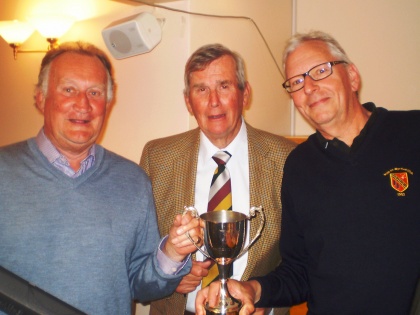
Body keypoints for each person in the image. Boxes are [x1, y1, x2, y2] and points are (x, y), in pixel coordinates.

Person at [196, 31, 420, 315]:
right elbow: (299, 270)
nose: (309, 87)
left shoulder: (412, 134)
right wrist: (252, 289)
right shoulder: (299, 165)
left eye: (320, 71)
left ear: (352, 76)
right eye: (297, 82)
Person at [0, 41, 201, 315]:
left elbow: (142, 286)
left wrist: (172, 252)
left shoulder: (133, 181)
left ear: (108, 102)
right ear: (40, 97)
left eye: (94, 92)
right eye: (69, 89)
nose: (83, 105)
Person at [140, 43, 296, 315]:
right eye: (201, 89)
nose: (213, 101)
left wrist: (266, 300)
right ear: (188, 101)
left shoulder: (286, 159)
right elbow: (137, 253)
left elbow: (299, 257)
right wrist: (170, 273)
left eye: (224, 86)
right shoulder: (158, 157)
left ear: (244, 94)